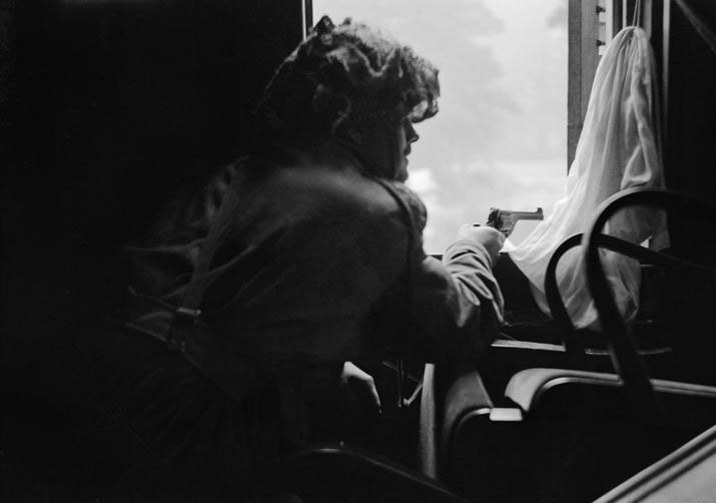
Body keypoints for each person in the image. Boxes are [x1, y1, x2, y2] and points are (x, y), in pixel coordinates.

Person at [30, 16, 505, 501]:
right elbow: (458, 325)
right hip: (193, 434)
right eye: (402, 117)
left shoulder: (242, 177)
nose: (413, 137)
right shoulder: (374, 208)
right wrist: (475, 247)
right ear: (360, 121)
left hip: (106, 409)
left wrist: (324, 371)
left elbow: (224, 318)